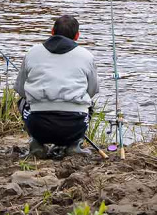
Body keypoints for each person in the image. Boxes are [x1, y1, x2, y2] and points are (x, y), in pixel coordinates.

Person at [15, 14, 99, 158]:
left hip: (39, 125)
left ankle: (36, 143)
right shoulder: (87, 56)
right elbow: (92, 91)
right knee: (90, 104)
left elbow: (21, 90)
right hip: (74, 126)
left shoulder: (32, 52)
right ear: (77, 36)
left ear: (52, 32)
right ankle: (74, 144)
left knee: (22, 102)